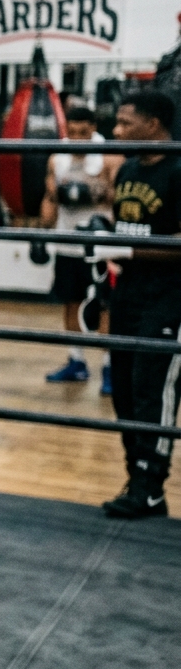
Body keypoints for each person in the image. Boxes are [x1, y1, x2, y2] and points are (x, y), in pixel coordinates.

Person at [102, 91, 181, 519]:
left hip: (169, 297)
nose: (116, 130)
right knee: (126, 391)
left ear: (153, 125)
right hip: (128, 293)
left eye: (125, 122)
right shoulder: (129, 169)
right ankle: (136, 478)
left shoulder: (179, 168)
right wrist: (103, 240)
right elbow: (126, 225)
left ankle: (151, 486)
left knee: (155, 389)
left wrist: (129, 251)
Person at [41, 106, 123, 390]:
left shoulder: (109, 157)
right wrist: (42, 231)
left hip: (100, 246)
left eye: (83, 133)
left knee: (104, 306)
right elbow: (49, 197)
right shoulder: (57, 159)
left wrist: (98, 191)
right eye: (72, 132)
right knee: (71, 303)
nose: (77, 138)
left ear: (93, 129)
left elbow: (121, 201)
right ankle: (76, 361)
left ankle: (109, 367)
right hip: (67, 243)